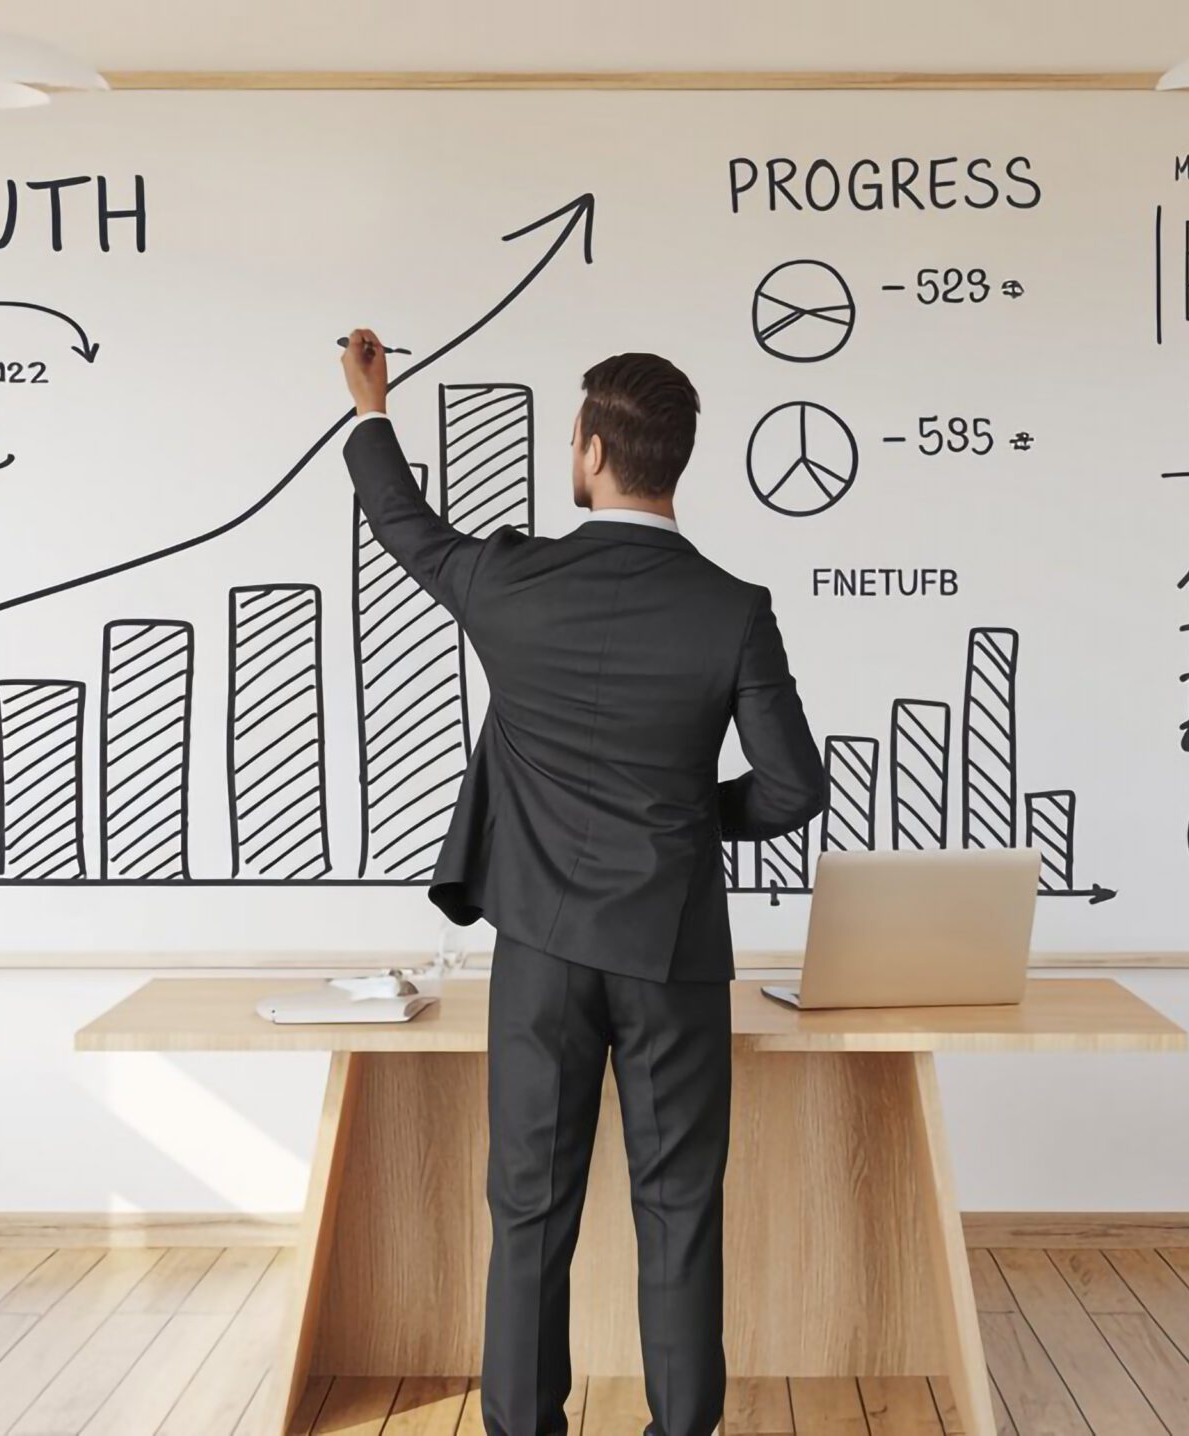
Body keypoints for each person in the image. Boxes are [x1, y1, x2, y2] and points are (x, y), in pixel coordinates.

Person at [338, 331, 826, 1436]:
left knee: (527, 1211)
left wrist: (371, 407)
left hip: (544, 953)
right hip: (674, 957)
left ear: (595, 450)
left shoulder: (511, 580)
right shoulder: (730, 606)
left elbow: (405, 527)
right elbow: (794, 788)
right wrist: (680, 820)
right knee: (679, 1211)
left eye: (573, 436)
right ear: (677, 460)